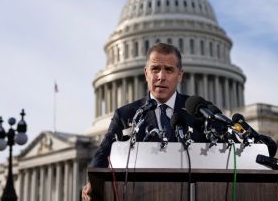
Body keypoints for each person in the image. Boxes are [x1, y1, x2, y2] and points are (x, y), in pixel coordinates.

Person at [82, 43, 203, 200]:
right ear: (146, 73)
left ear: (180, 75)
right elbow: (103, 154)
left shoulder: (198, 111)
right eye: (155, 69)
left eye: (169, 70)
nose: (161, 76)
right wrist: (94, 181)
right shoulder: (126, 115)